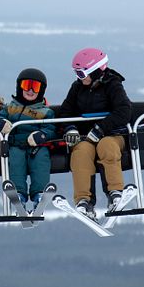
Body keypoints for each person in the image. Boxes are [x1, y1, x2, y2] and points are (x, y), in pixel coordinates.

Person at [58, 48, 132, 220]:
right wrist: (70, 128)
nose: (79, 77)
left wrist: (101, 129)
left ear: (95, 70)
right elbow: (65, 111)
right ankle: (84, 201)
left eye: (81, 73)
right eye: (76, 73)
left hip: (112, 135)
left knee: (107, 146)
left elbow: (124, 111)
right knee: (81, 152)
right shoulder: (77, 88)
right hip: (87, 138)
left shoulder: (113, 85)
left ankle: (115, 193)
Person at [0, 68, 56, 212]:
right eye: (27, 85)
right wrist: (1, 123)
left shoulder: (45, 111)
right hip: (15, 144)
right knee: (15, 161)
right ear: (19, 86)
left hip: (36, 146)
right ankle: (18, 194)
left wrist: (41, 135)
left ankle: (39, 194)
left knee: (41, 161)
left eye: (36, 87)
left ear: (42, 90)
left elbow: (51, 128)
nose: (31, 90)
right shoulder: (10, 108)